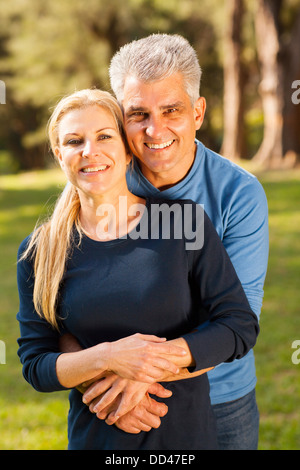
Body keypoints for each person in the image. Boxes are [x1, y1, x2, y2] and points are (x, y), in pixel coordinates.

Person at [17, 88, 259, 450]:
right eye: (74, 141)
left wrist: (146, 368)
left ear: (126, 149)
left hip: (184, 439)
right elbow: (37, 363)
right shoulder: (40, 250)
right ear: (59, 154)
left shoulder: (183, 223)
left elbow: (237, 326)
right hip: (97, 439)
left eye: (103, 136)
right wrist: (109, 358)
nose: (89, 152)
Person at [72, 34, 269, 450]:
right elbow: (58, 311)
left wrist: (135, 378)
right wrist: (103, 380)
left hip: (220, 398)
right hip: (110, 400)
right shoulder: (99, 181)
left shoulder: (239, 194)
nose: (153, 128)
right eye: (138, 113)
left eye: (171, 110)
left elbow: (237, 318)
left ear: (197, 112)